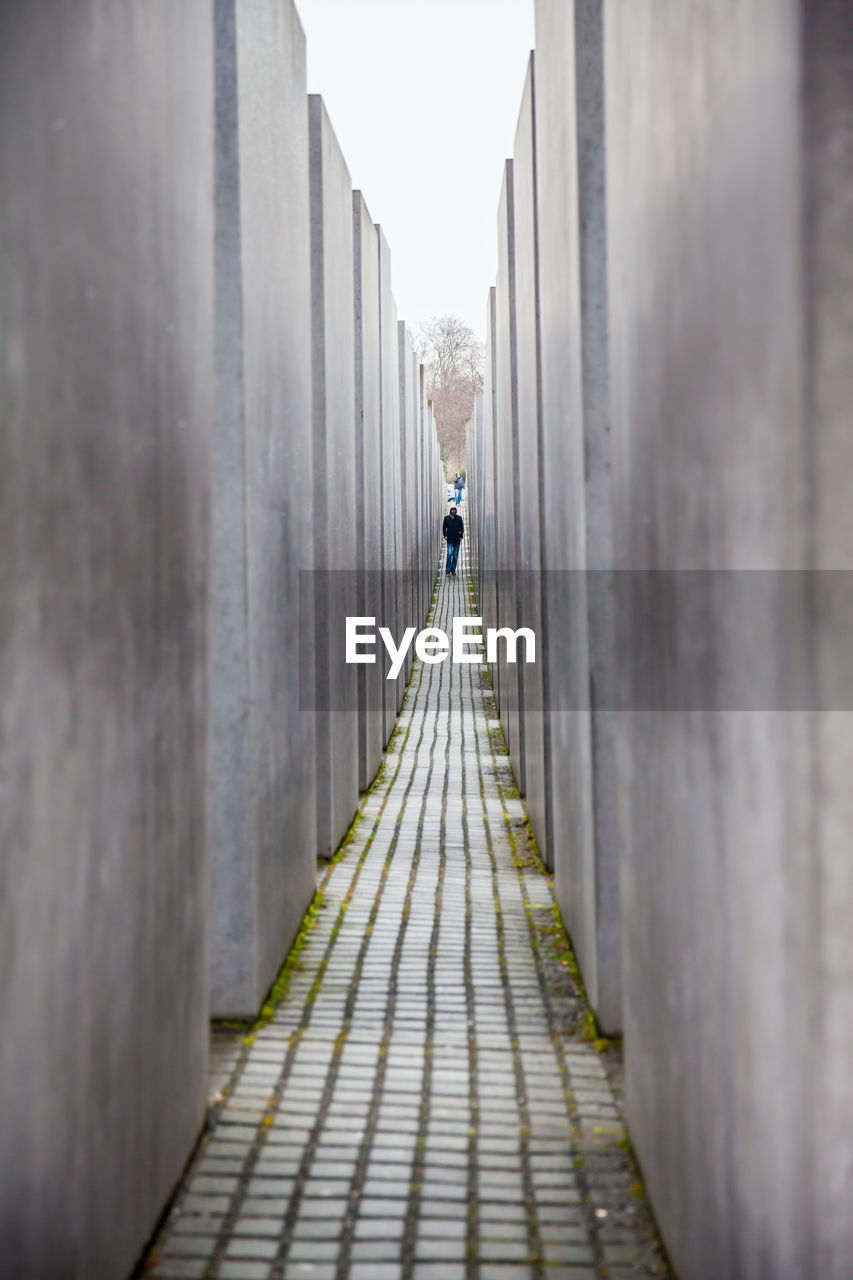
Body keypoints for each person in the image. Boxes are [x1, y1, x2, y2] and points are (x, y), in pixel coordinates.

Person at [443, 506, 464, 576]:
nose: (453, 511)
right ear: (450, 511)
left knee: (455, 556)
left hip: (457, 539)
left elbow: (462, 528)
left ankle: (453, 570)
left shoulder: (459, 518)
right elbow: (444, 528)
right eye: (452, 510)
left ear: (456, 511)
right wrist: (445, 536)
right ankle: (447, 570)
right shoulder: (446, 518)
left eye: (454, 510)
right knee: (449, 554)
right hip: (449, 539)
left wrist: (461, 536)